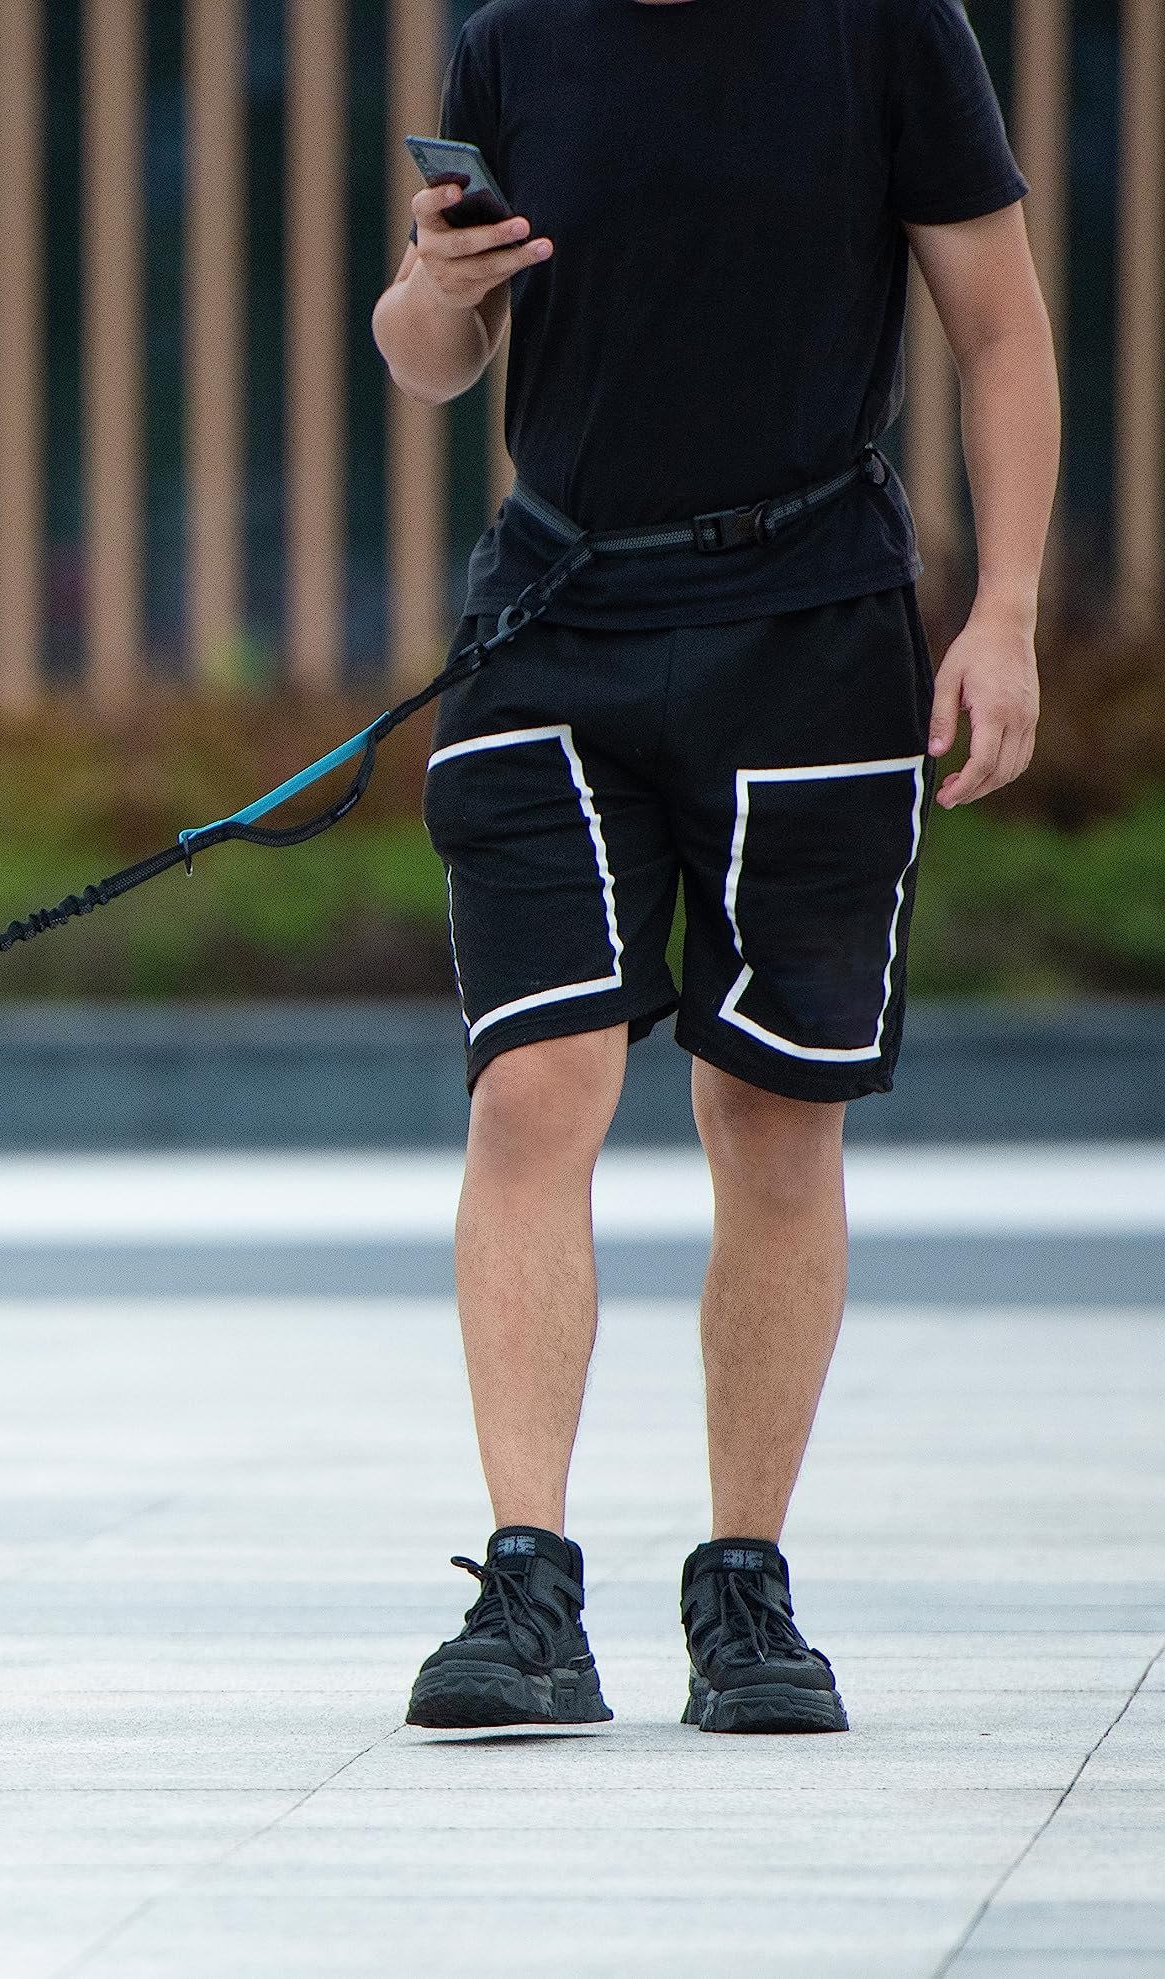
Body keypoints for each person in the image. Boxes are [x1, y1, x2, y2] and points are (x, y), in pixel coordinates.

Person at [371, 0, 1058, 1734]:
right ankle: (526, 1584)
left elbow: (1001, 332)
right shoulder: (515, 36)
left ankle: (745, 1586)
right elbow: (428, 351)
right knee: (535, 1087)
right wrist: (435, 296)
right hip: (553, 618)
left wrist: (1007, 614)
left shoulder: (890, 30)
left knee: (772, 1113)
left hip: (812, 625)